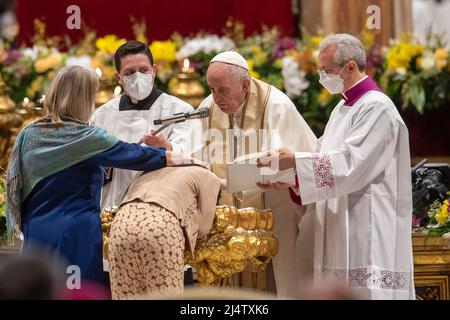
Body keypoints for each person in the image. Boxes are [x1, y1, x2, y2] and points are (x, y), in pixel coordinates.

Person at [257, 34, 415, 300]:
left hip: (366, 223)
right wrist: (292, 179)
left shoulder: (377, 108)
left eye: (327, 71)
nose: (322, 77)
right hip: (341, 223)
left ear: (350, 66)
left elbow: (351, 164)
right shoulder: (342, 108)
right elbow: (323, 155)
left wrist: (296, 160)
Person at [5, 65, 185, 287]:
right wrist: (176, 156)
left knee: (40, 291)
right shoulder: (86, 137)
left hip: (37, 232)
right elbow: (136, 155)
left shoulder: (29, 134)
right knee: (77, 294)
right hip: (74, 234)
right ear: (82, 99)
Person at [187, 51, 317, 298]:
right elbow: (195, 156)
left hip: (273, 213)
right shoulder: (208, 107)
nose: (216, 97)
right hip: (225, 220)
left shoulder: (276, 106)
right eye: (211, 89)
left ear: (244, 85)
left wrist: (234, 180)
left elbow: (288, 163)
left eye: (222, 90)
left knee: (279, 282)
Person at [90, 40, 194, 209]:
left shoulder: (180, 110)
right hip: (112, 205)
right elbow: (89, 166)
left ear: (153, 71)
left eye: (143, 70)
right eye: (130, 72)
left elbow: (190, 158)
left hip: (160, 202)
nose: (138, 77)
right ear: (119, 78)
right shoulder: (102, 115)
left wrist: (166, 146)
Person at [107, 166, 221, 299]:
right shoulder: (209, 176)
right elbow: (204, 228)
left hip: (121, 225)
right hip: (160, 227)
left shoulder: (150, 168)